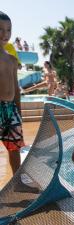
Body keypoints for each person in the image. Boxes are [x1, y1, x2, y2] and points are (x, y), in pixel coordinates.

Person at [0, 11, 25, 175]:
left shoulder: (12, 60)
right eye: (0, 29)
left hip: (11, 109)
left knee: (14, 147)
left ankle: (18, 182)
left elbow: (16, 89)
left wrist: (19, 111)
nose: (5, 34)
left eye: (8, 30)